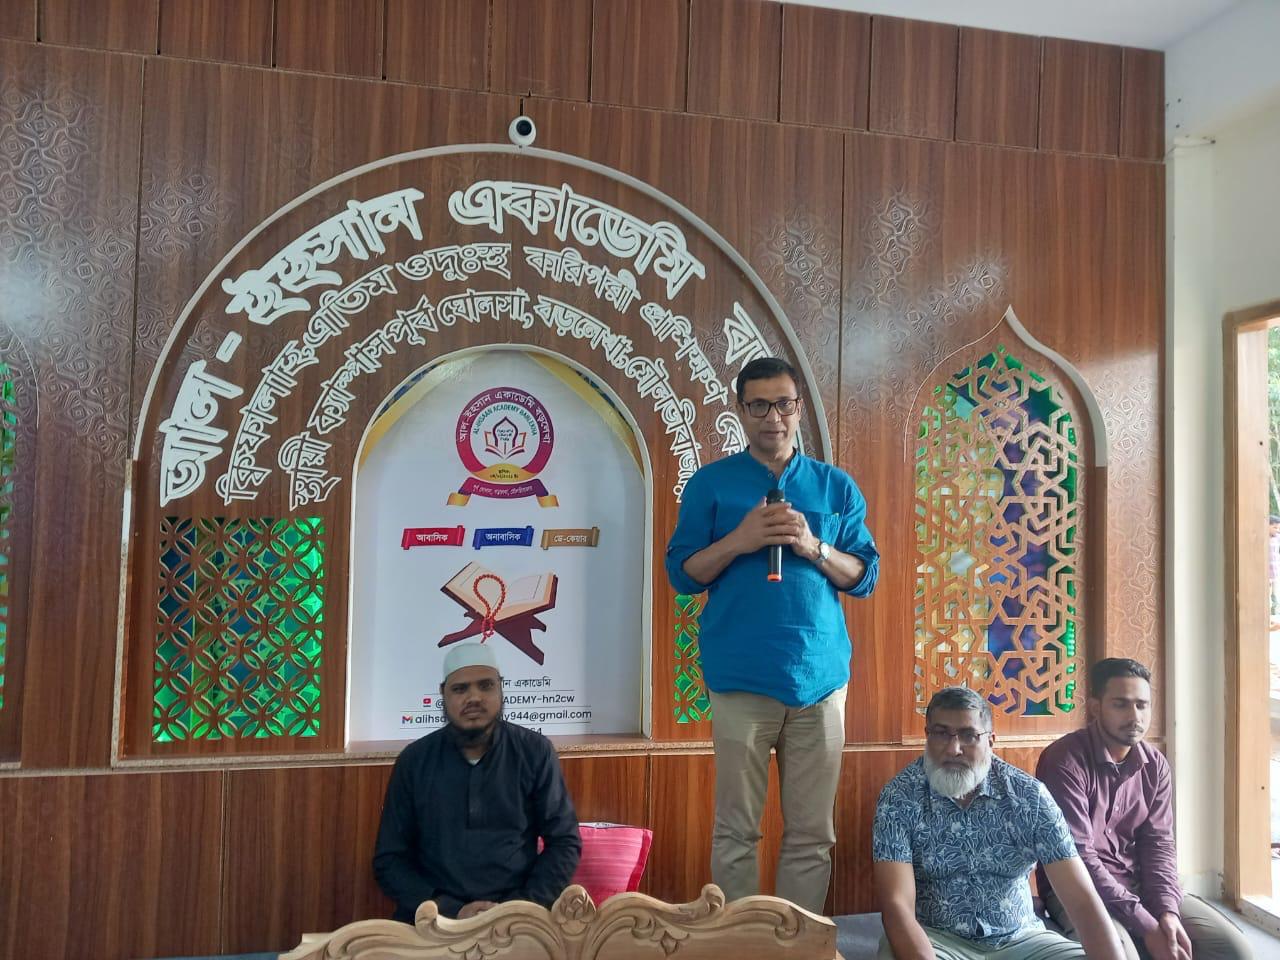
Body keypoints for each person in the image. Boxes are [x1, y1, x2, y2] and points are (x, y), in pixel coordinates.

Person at [665, 355, 879, 913]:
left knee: (812, 834)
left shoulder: (834, 486)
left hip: (820, 681)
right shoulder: (712, 484)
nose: (772, 418)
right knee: (735, 830)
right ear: (740, 411)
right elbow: (682, 575)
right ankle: (739, 943)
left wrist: (813, 546)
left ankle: (795, 943)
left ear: (798, 408)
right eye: (758, 406)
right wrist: (740, 540)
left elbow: (864, 576)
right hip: (740, 680)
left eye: (783, 404)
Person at [874, 686, 1124, 960]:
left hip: (1023, 939)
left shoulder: (1029, 797)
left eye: (969, 735)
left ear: (991, 741)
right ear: (927, 735)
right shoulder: (900, 797)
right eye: (941, 733)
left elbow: (1082, 900)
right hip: (937, 940)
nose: (953, 749)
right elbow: (897, 905)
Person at [1036, 658, 1253, 960]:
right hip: (1078, 890)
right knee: (1120, 955)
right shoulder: (1064, 761)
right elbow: (1079, 856)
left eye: (1142, 705)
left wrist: (1167, 912)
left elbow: (1159, 844)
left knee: (1233, 950)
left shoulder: (1155, 765)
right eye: (1121, 705)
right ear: (1096, 707)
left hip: (1138, 883)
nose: (1135, 717)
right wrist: (1146, 925)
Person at [373, 643, 582, 921]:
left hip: (519, 919)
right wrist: (448, 909)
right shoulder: (414, 760)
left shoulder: (534, 752)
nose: (474, 697)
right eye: (460, 689)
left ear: (501, 689)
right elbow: (390, 859)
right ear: (443, 694)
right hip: (433, 919)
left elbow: (564, 842)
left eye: (485, 686)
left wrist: (517, 908)